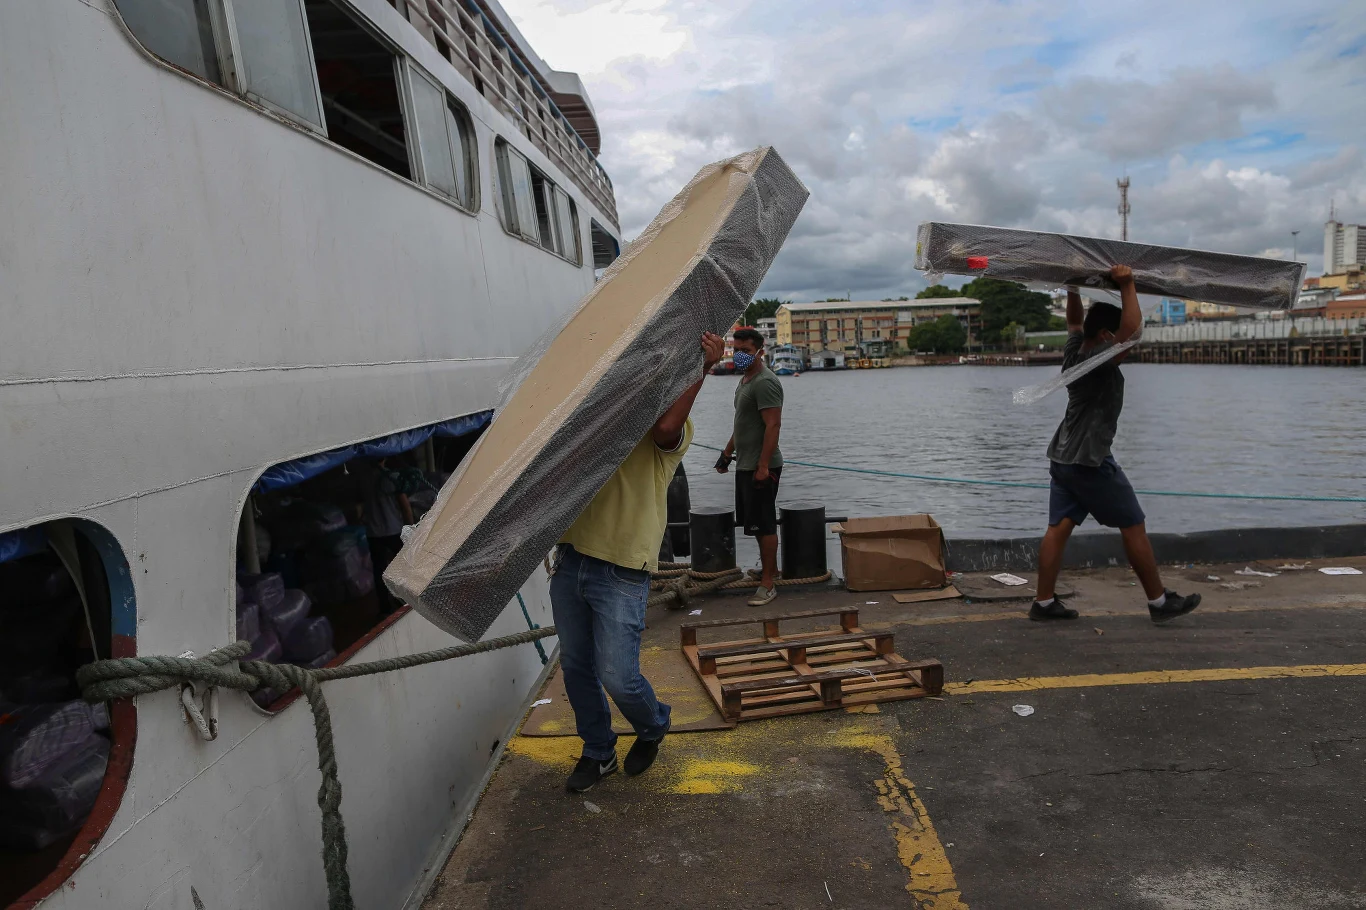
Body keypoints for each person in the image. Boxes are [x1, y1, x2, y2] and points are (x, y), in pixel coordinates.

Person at [555, 331, 726, 793]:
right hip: (571, 559)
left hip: (622, 569)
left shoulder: (666, 435)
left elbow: (667, 428)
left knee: (619, 676)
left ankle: (652, 726)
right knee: (576, 667)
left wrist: (702, 368)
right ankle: (598, 751)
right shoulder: (596, 427)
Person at [1031, 265, 1200, 624]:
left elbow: (1074, 323)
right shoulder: (1098, 361)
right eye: (1114, 336)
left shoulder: (1076, 350)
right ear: (1106, 334)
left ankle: (1043, 603)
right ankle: (1158, 603)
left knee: (1058, 528)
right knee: (1133, 524)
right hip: (1090, 462)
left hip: (1063, 458)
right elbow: (1133, 333)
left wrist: (1073, 289)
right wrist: (1127, 284)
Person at [715, 327, 784, 607]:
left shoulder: (765, 382)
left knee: (765, 524)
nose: (740, 354)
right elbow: (742, 423)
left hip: (762, 467)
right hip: (745, 463)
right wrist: (727, 453)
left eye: (745, 350)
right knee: (755, 523)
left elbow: (773, 425)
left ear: (759, 351)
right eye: (736, 349)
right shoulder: (745, 381)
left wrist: (763, 466)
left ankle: (768, 583)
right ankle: (771, 569)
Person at [356, 456, 414, 616]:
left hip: (374, 533)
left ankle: (384, 608)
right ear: (385, 458)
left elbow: (361, 507)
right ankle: (405, 601)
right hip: (393, 530)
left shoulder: (364, 480)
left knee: (380, 571)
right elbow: (405, 506)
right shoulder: (392, 478)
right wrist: (412, 530)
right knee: (402, 568)